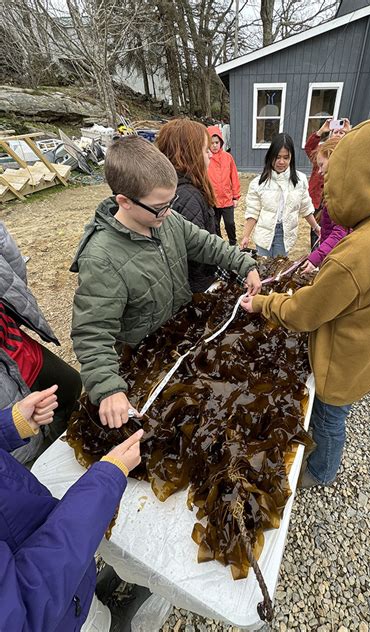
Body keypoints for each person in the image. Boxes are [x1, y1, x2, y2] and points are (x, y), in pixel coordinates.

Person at [240, 114, 370, 487]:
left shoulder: (358, 251)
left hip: (344, 359)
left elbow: (304, 313)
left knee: (330, 417)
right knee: (336, 413)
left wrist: (263, 303)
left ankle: (322, 471)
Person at [71, 136, 261, 430]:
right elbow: (93, 333)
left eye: (171, 202)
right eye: (160, 206)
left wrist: (244, 264)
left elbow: (206, 243)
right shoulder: (101, 259)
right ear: (124, 201)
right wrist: (108, 387)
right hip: (141, 357)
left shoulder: (166, 220)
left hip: (178, 338)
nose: (169, 211)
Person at [0, 385, 144, 631]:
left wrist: (9, 427)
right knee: (83, 618)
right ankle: (108, 623)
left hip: (39, 538)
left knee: (79, 592)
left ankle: (95, 604)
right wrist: (106, 480)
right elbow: (26, 609)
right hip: (51, 611)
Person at [0, 222, 82, 465]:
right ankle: (43, 460)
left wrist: (14, 302)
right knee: (24, 443)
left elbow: (11, 258)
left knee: (69, 384)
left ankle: (63, 441)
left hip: (15, 345)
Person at [156, 119, 219, 292]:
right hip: (195, 288)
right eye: (206, 150)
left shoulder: (166, 189)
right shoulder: (188, 196)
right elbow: (197, 253)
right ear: (190, 154)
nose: (211, 155)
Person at [240, 133, 319, 257]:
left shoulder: (300, 180)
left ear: (291, 157)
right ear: (270, 156)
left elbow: (306, 207)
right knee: (262, 267)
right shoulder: (258, 183)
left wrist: (316, 227)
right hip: (264, 233)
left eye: (286, 157)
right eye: (277, 157)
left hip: (285, 234)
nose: (281, 162)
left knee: (279, 271)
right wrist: (245, 236)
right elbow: (253, 212)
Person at [300, 137, 351, 275]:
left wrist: (316, 257)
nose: (319, 171)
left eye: (322, 165)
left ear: (335, 159)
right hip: (330, 250)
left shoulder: (343, 193)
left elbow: (340, 232)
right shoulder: (336, 187)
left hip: (337, 255)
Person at [305, 118, 351, 248]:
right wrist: (321, 131)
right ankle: (316, 251)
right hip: (317, 198)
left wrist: (351, 133)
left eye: (341, 133)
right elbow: (309, 148)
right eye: (335, 131)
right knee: (317, 228)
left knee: (333, 230)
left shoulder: (348, 155)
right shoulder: (320, 152)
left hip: (333, 200)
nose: (337, 134)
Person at [207, 125, 240, 246]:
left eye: (217, 142)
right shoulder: (205, 159)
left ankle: (233, 243)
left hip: (227, 199)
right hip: (212, 201)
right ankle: (220, 245)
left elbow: (234, 177)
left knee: (230, 223)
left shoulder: (228, 158)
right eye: (212, 143)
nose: (214, 145)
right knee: (215, 225)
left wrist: (236, 197)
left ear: (221, 142)